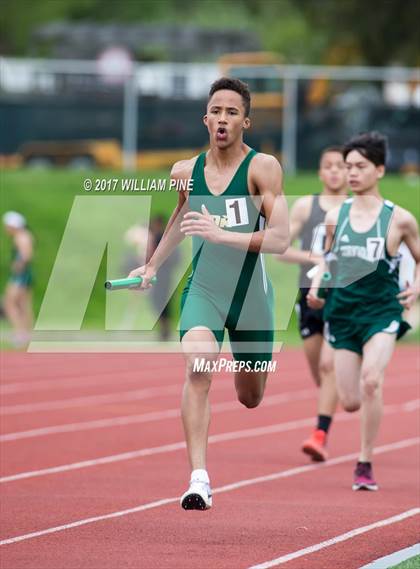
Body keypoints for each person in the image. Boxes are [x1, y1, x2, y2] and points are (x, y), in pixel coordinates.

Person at [128, 77, 289, 510]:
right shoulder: (184, 171)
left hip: (251, 298)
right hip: (204, 291)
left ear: (246, 122)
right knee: (198, 368)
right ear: (205, 119)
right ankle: (198, 478)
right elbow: (183, 219)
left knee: (250, 397)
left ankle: (248, 375)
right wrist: (153, 265)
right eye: (216, 110)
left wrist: (222, 235)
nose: (223, 118)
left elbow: (280, 238)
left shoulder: (263, 168)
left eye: (232, 112)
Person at [308, 132, 420, 491]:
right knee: (352, 400)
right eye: (347, 167)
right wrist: (317, 287)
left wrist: (416, 286)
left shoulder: (399, 219)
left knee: (372, 380)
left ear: (380, 170)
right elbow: (327, 260)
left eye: (360, 167)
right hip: (343, 314)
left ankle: (364, 461)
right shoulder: (333, 216)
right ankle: (359, 433)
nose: (351, 173)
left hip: (381, 312)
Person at [276, 147, 348, 461]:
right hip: (308, 294)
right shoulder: (307, 206)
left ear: (351, 172)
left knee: (329, 366)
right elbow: (280, 248)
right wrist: (313, 257)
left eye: (341, 166)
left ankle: (320, 434)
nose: (334, 172)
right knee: (320, 373)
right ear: (320, 173)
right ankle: (337, 395)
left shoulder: (358, 209)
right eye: (328, 166)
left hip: (343, 296)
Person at [2, 211, 34, 348]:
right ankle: (27, 334)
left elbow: (26, 255)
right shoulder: (26, 235)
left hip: (21, 275)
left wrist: (17, 265)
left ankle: (20, 333)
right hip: (26, 274)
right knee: (24, 304)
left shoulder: (21, 237)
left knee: (8, 303)